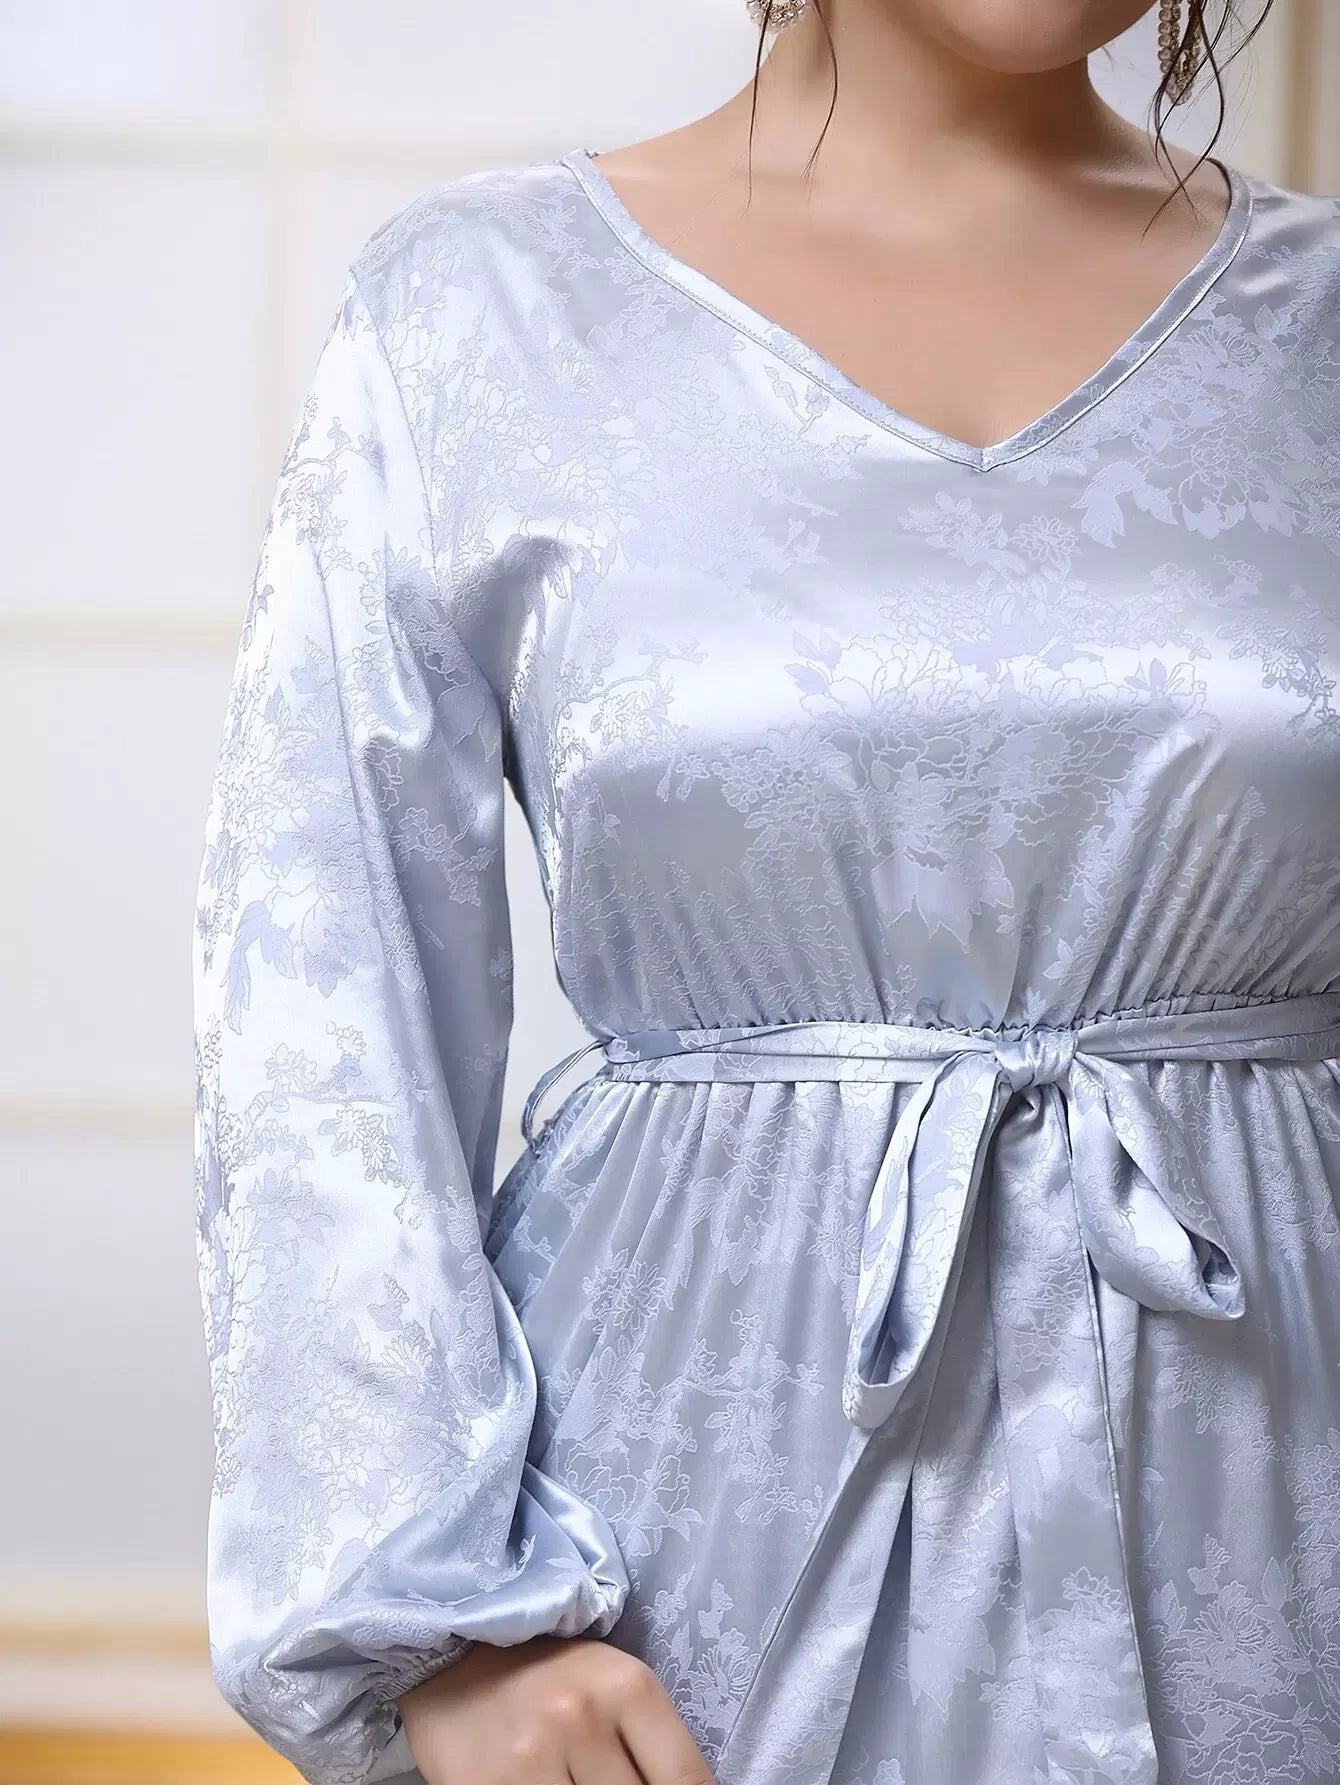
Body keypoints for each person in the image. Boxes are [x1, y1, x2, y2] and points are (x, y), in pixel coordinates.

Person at [191, 1, 1340, 1782]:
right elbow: (322, 1000)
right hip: (672, 1579)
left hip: (1278, 1528)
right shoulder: (475, 313)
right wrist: (440, 1623)